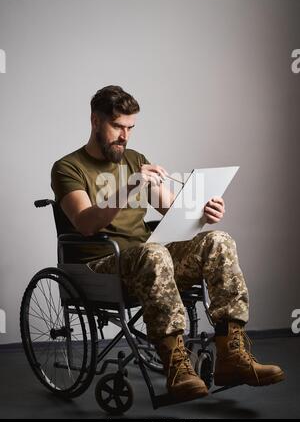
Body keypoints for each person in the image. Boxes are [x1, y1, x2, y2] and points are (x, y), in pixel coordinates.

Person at [51, 85, 284, 402]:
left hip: (148, 260)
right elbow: (85, 223)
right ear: (95, 121)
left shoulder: (135, 159)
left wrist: (203, 214)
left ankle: (231, 357)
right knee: (153, 252)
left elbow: (173, 211)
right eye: (117, 126)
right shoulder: (68, 167)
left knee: (218, 240)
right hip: (101, 266)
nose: (125, 136)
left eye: (131, 128)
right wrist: (131, 184)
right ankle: (177, 369)